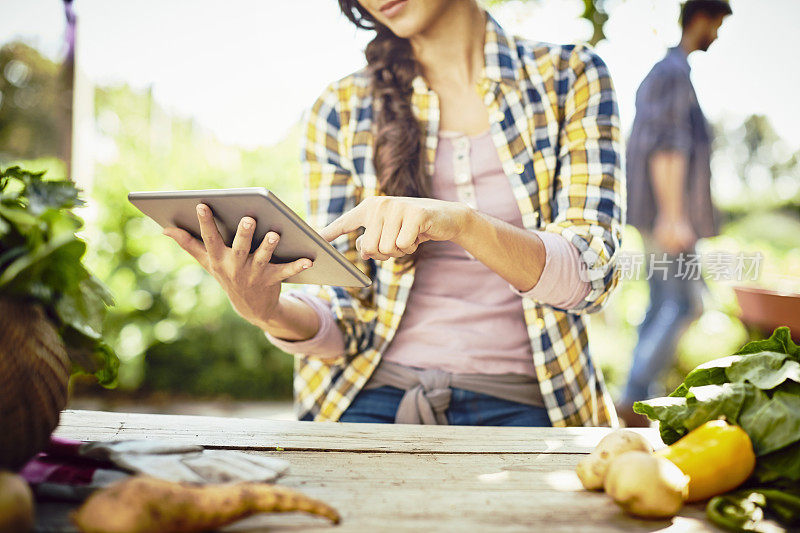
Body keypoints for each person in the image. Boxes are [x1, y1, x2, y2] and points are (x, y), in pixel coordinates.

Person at [165, 0, 625, 427]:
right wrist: (266, 309)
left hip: (534, 404)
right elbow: (344, 319)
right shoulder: (341, 109)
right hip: (367, 398)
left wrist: (461, 224)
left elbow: (592, 274)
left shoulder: (570, 76)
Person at [617, 0, 731, 427]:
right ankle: (633, 397)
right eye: (717, 25)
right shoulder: (672, 73)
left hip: (663, 215)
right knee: (685, 306)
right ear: (700, 19)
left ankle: (643, 396)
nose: (716, 35)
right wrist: (673, 215)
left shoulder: (668, 73)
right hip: (668, 217)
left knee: (661, 304)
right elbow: (667, 147)